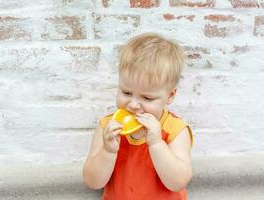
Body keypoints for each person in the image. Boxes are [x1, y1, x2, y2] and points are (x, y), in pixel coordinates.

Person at [83, 32, 193, 200]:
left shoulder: (175, 130)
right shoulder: (108, 126)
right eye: (126, 92)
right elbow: (93, 182)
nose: (133, 105)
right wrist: (107, 151)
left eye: (147, 98)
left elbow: (177, 182)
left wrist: (157, 144)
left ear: (170, 96)